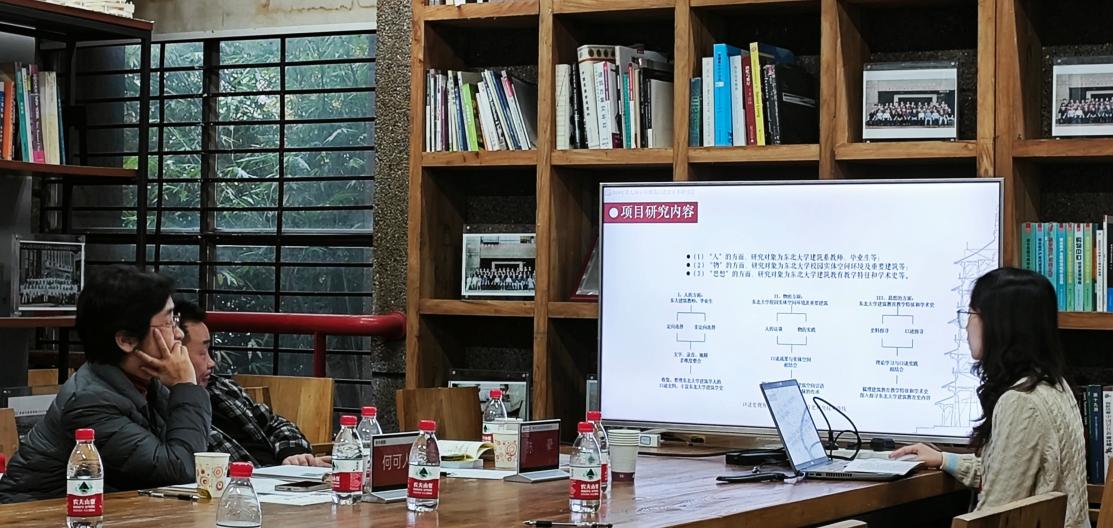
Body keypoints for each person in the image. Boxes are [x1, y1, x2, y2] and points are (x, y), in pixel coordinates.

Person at [891, 267, 1089, 528]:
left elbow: (994, 513)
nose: (966, 325)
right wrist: (945, 459)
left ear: (1000, 324)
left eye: (972, 314)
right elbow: (1007, 472)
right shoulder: (1054, 386)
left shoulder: (1020, 401)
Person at [0, 266, 210, 503]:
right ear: (126, 340)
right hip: (36, 515)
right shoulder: (88, 402)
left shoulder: (145, 382)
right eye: (169, 321)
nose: (179, 334)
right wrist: (186, 386)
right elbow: (179, 471)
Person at [174, 298, 329, 467]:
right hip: (247, 480)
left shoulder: (222, 387)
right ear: (175, 353)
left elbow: (274, 423)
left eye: (209, 351)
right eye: (202, 353)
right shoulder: (175, 412)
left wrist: (293, 454)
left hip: (281, 474)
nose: (212, 363)